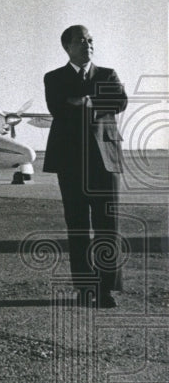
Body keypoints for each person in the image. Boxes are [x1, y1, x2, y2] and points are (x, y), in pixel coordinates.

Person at [43, 25, 127, 308]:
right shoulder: (54, 78)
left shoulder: (107, 74)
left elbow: (120, 101)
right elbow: (57, 106)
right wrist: (84, 102)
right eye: (82, 40)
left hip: (105, 161)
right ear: (67, 46)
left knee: (108, 227)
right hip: (70, 163)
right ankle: (85, 288)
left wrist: (86, 100)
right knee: (78, 226)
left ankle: (105, 289)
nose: (89, 44)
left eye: (91, 40)